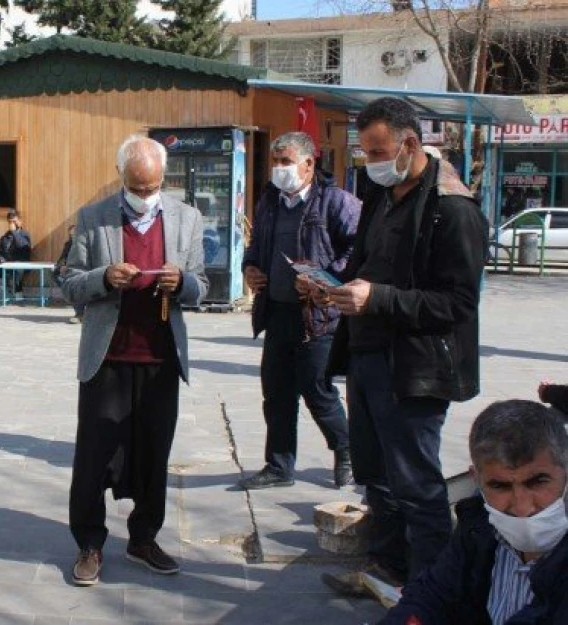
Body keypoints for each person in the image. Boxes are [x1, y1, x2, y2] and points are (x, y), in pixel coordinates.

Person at [314, 97, 489, 592]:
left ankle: (433, 590)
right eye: (366, 152)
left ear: (410, 144)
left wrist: (380, 298)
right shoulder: (381, 197)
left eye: (377, 151)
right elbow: (365, 267)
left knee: (416, 485)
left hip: (416, 368)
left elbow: (457, 304)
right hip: (368, 359)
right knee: (377, 476)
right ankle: (386, 568)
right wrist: (332, 285)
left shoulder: (452, 208)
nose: (371, 163)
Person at [62, 135, 208, 586]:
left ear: (163, 179)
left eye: (153, 188)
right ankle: (89, 543)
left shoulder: (187, 218)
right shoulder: (93, 217)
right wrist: (103, 278)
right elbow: (67, 284)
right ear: (121, 175)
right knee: (94, 455)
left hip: (161, 357)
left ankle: (144, 538)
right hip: (108, 357)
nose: (145, 198)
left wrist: (181, 283)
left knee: (153, 453)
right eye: (137, 188)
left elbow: (203, 287)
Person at [239, 132, 359, 490]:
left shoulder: (336, 202)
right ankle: (278, 465)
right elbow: (255, 246)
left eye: (285, 162)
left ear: (309, 163)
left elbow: (358, 249)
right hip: (276, 311)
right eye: (275, 162)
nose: (279, 169)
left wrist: (327, 280)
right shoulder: (269, 202)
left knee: (317, 390)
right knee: (276, 392)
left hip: (317, 316)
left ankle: (348, 451)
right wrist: (250, 267)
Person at [380, 400, 568, 624]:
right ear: (476, 479)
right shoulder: (478, 527)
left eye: (537, 482)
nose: (522, 507)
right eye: (500, 486)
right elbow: (431, 595)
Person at [54, 223, 85, 323]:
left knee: (76, 285)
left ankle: (80, 313)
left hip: (84, 271)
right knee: (57, 276)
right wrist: (61, 266)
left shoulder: (86, 244)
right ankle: (79, 313)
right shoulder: (68, 245)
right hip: (70, 271)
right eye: (70, 235)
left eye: (74, 234)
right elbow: (61, 259)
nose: (72, 237)